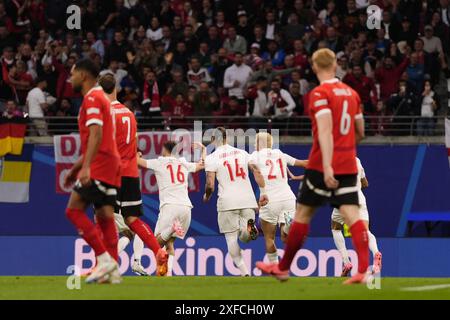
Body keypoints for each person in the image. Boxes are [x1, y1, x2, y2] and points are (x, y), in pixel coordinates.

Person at [256, 48, 367, 285]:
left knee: (303, 215)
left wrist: (327, 165)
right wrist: (344, 151)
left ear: (315, 67)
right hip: (348, 164)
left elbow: (325, 131)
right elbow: (360, 133)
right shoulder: (352, 94)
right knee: (352, 215)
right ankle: (363, 270)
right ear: (336, 65)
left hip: (321, 165)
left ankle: (283, 268)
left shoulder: (319, 94)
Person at [98, 73, 168, 276]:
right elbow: (135, 147)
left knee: (101, 216)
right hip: (130, 172)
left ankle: (103, 264)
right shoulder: (129, 114)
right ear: (116, 89)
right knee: (132, 219)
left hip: (112, 172)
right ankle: (159, 251)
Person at [62, 59, 122, 284]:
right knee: (105, 216)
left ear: (84, 76)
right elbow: (95, 139)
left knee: (73, 211)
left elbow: (96, 135)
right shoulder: (101, 98)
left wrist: (85, 167)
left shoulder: (93, 98)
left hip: (100, 164)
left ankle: (104, 260)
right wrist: (75, 168)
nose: (70, 78)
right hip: (109, 162)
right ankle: (113, 271)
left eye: (73, 74)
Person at [203, 127, 268, 277]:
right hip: (247, 199)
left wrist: (207, 196)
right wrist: (263, 192)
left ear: (213, 140)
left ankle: (245, 273)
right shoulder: (243, 153)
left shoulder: (212, 158)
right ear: (228, 138)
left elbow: (210, 184)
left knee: (231, 239)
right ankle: (247, 230)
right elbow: (257, 171)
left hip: (227, 201)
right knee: (244, 238)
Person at [138, 141, 205, 276]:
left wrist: (133, 152)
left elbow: (138, 162)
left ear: (165, 149)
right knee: (169, 244)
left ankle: (171, 228)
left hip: (170, 206)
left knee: (155, 242)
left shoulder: (160, 162)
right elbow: (202, 165)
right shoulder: (183, 163)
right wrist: (203, 149)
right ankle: (168, 275)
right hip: (186, 207)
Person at [249, 132, 307, 264]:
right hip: (288, 199)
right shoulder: (280, 154)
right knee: (285, 238)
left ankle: (275, 267)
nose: (253, 145)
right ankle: (288, 227)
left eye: (255, 142)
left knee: (269, 238)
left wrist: (263, 192)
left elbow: (257, 172)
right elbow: (303, 163)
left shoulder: (254, 156)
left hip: (270, 200)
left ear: (260, 143)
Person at [330, 157, 382, 276]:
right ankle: (376, 253)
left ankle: (346, 262)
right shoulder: (356, 160)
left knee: (335, 228)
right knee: (365, 231)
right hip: (359, 198)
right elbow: (365, 183)